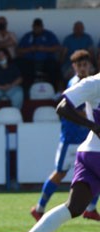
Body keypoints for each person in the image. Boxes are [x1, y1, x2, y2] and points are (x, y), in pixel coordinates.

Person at [12, 57, 100, 232]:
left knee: (74, 207)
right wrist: (94, 125)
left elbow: (62, 107)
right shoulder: (94, 83)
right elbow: (62, 108)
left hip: (87, 153)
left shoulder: (93, 83)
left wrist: (92, 127)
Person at [31, 50, 99, 221]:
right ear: (74, 67)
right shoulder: (76, 84)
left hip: (85, 139)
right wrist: (92, 123)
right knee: (60, 173)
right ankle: (40, 207)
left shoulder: (91, 83)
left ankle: (91, 208)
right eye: (80, 65)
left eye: (86, 64)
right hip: (70, 138)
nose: (83, 68)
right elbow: (69, 109)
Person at [16, 18, 62, 91]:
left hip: (46, 61)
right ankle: (26, 93)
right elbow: (18, 50)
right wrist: (30, 49)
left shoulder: (49, 35)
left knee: (54, 67)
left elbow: (58, 48)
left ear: (42, 27)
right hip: (30, 62)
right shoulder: (27, 36)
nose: (37, 29)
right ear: (33, 27)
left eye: (39, 27)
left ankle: (54, 91)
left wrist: (44, 49)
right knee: (21, 66)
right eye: (35, 27)